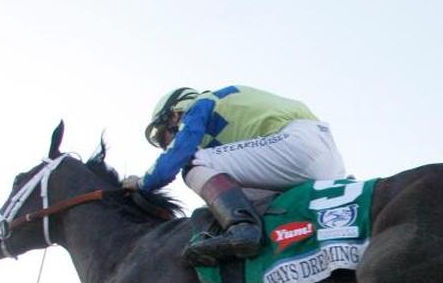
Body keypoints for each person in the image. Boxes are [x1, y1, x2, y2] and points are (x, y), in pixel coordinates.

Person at [124, 86, 346, 265]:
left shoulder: (200, 104)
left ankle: (243, 232)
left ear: (174, 114)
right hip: (327, 160)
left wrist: (142, 183)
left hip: (296, 145)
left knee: (192, 163)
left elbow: (178, 155)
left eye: (164, 135)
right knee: (229, 199)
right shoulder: (227, 113)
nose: (167, 144)